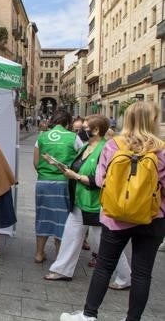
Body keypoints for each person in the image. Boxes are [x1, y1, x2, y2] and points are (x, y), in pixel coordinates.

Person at [61, 101, 165, 321]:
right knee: (142, 273)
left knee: (104, 266)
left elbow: (99, 180)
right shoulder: (161, 149)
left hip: (115, 217)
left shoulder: (113, 145)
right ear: (154, 121)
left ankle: (89, 315)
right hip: (152, 218)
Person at [43, 115, 131, 289]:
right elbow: (78, 168)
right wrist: (60, 167)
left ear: (96, 130)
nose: (80, 131)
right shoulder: (85, 147)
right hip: (79, 202)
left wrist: (74, 176)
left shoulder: (106, 149)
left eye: (84, 128)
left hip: (96, 204)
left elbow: (101, 180)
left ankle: (126, 277)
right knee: (71, 235)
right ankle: (62, 270)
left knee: (105, 243)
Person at [33, 108, 78, 263]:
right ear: (67, 122)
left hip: (43, 183)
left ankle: (39, 254)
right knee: (62, 218)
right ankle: (60, 257)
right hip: (63, 183)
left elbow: (35, 162)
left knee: (42, 216)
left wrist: (45, 172)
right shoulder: (74, 137)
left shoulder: (42, 137)